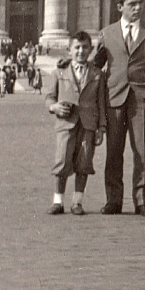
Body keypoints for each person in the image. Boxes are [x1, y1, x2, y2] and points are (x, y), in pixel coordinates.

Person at [93, 0, 145, 216]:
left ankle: (141, 201)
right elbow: (97, 65)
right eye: (132, 4)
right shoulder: (107, 33)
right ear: (120, 7)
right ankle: (113, 201)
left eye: (140, 3)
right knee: (113, 152)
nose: (138, 8)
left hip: (143, 99)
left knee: (142, 151)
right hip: (115, 97)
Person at [46, 31, 106, 215]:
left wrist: (101, 127)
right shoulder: (59, 72)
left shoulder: (97, 74)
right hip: (66, 123)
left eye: (85, 47)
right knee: (62, 161)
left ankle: (77, 202)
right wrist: (54, 107)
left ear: (91, 50)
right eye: (77, 48)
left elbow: (101, 102)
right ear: (69, 50)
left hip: (88, 124)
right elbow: (49, 97)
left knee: (84, 163)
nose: (81, 51)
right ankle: (58, 201)